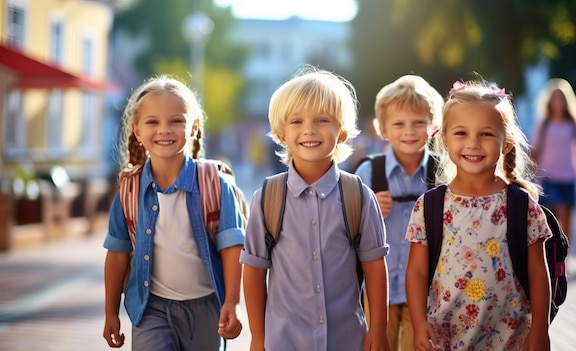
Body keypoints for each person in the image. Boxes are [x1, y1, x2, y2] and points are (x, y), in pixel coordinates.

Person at [240, 65, 391, 351]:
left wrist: (378, 328)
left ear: (342, 132)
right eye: (296, 121)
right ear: (282, 134)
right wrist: (258, 337)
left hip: (346, 341)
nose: (309, 129)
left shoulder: (358, 196)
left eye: (322, 119)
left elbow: (374, 266)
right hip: (284, 343)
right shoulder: (268, 197)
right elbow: (254, 271)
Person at [405, 80, 552, 350]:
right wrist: (418, 323)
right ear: (444, 140)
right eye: (461, 133)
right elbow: (415, 271)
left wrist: (540, 329)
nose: (473, 143)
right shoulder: (428, 207)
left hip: (511, 339)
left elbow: (537, 272)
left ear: (506, 143)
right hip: (444, 339)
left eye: (485, 134)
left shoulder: (522, 206)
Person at [102, 75, 245, 350]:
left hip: (207, 309)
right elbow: (117, 254)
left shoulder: (215, 183)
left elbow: (232, 247)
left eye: (176, 121)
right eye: (152, 122)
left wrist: (232, 303)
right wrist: (111, 312)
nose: (164, 130)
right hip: (150, 308)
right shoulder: (129, 188)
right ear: (137, 130)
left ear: (194, 127)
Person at [354, 75, 443, 351]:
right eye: (399, 124)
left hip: (428, 292)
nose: (409, 131)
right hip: (378, 292)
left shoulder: (442, 174)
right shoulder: (368, 172)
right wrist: (368, 214)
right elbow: (347, 230)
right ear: (383, 130)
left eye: (419, 123)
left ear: (433, 127)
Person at [532, 78, 576, 244]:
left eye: (561, 98)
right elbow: (535, 152)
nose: (558, 102)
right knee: (550, 222)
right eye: (555, 98)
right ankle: (552, 256)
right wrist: (533, 178)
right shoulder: (543, 125)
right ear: (549, 101)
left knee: (567, 221)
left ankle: (565, 259)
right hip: (547, 179)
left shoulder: (574, 126)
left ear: (567, 101)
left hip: (568, 178)